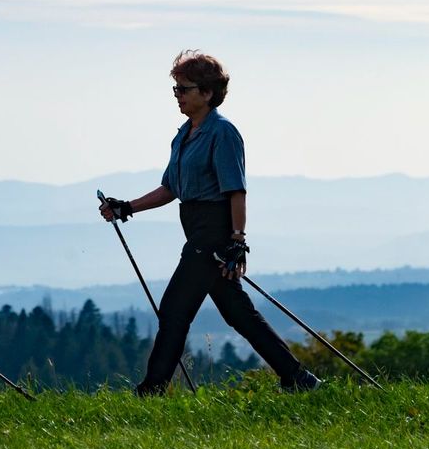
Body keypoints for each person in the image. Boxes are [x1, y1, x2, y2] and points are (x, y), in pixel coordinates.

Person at [100, 50, 319, 395]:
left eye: (184, 89)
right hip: (197, 225)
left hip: (213, 232)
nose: (178, 96)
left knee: (174, 311)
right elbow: (171, 188)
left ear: (207, 92)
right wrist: (127, 207)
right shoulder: (183, 134)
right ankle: (298, 378)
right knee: (238, 313)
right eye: (175, 90)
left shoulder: (223, 133)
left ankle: (152, 389)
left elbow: (236, 190)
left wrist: (237, 240)